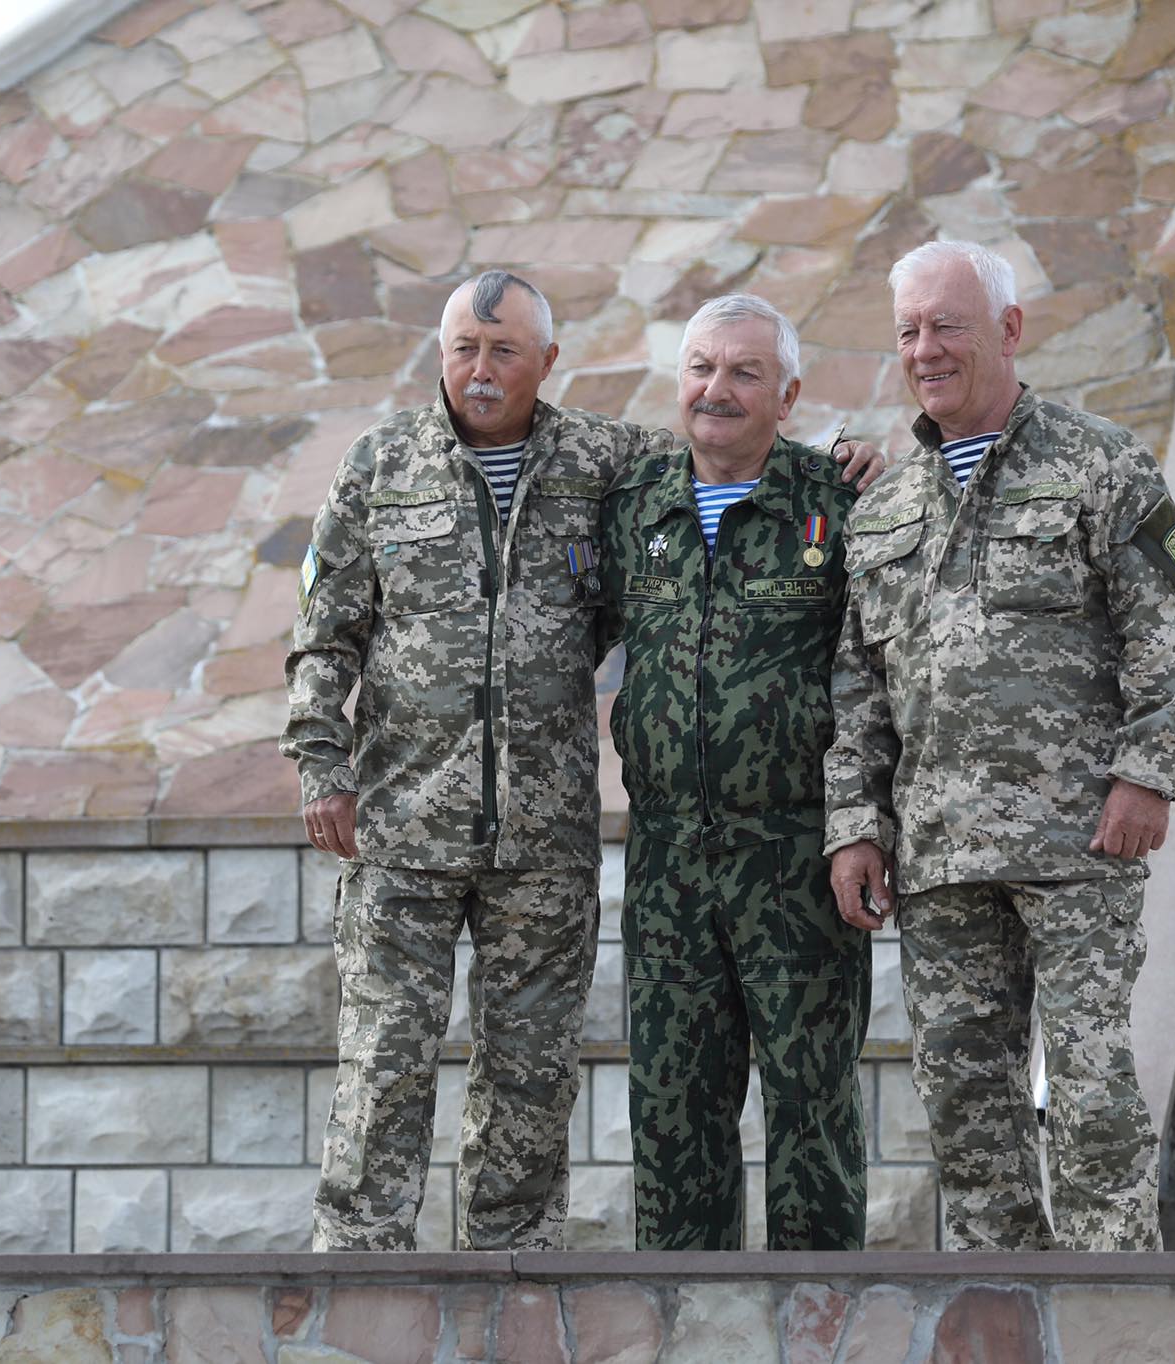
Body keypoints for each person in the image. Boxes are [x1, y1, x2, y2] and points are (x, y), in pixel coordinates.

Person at [284, 267, 887, 1251]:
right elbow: (324, 631)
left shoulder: (605, 463)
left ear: (546, 361)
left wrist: (840, 454)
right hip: (405, 824)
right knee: (382, 1066)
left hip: (547, 839)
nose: (481, 371)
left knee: (529, 1078)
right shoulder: (379, 464)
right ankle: (357, 1274)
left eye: (504, 351)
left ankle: (513, 1274)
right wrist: (322, 764)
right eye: (465, 349)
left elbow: (728, 448)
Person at [824, 240, 1175, 1251]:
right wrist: (855, 825)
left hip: (1078, 842)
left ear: (1006, 329)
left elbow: (1168, 630)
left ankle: (1113, 1311)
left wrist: (1146, 774)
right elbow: (857, 688)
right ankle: (1005, 1304)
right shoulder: (884, 509)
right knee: (963, 1108)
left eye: (945, 325)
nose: (924, 348)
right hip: (938, 855)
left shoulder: (1099, 462)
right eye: (908, 330)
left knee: (1090, 1095)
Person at [598, 294, 870, 1251]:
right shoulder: (632, 505)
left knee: (812, 1112)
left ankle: (820, 1315)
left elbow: (876, 676)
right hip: (668, 860)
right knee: (673, 1115)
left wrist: (863, 826)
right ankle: (684, 1317)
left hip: (798, 857)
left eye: (746, 372)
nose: (717, 389)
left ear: (787, 396)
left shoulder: (840, 502)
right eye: (701, 368)